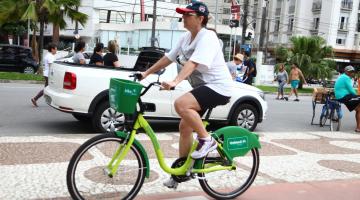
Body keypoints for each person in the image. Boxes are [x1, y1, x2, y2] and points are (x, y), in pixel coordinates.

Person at [139, 1, 232, 188]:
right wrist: (146, 73)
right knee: (185, 127)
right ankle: (183, 171)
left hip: (219, 87)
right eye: (183, 14)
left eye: (188, 15)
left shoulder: (208, 37)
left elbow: (193, 63)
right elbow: (168, 58)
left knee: (181, 104)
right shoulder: (185, 38)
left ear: (200, 18)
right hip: (205, 87)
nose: (183, 17)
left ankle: (207, 140)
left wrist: (175, 81)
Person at [335, 66, 360, 132]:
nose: (352, 73)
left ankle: (358, 127)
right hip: (343, 96)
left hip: (340, 96)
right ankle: (358, 128)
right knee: (359, 109)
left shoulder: (342, 76)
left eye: (352, 72)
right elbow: (351, 89)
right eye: (350, 72)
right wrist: (356, 95)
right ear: (346, 71)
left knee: (358, 109)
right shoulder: (346, 78)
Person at [31, 43, 57, 107]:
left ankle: (36, 99)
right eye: (56, 49)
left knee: (48, 88)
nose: (56, 50)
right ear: (52, 49)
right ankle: (35, 98)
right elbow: (52, 67)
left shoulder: (49, 55)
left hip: (47, 74)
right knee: (48, 89)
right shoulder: (50, 56)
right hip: (49, 75)